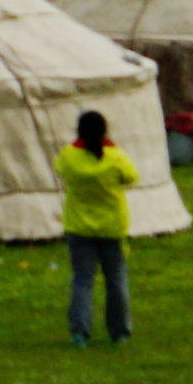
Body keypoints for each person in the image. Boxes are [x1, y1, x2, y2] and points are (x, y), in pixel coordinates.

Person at [57, 108, 139, 346]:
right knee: (116, 281)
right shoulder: (115, 157)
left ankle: (80, 332)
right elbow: (131, 176)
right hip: (112, 227)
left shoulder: (69, 156)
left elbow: (60, 168)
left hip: (79, 227)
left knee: (82, 280)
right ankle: (119, 332)